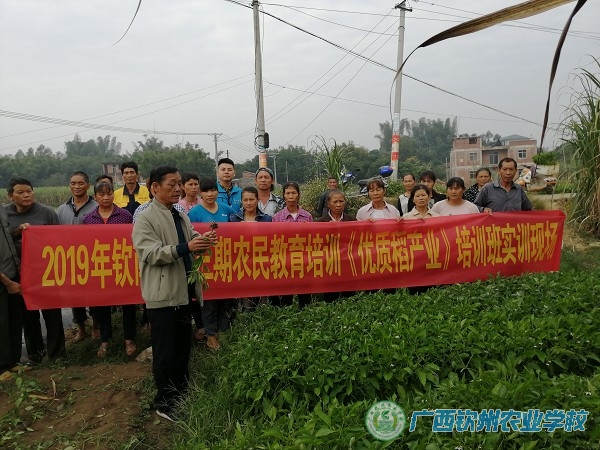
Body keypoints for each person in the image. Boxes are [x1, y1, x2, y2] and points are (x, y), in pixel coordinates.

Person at [132, 165, 216, 422]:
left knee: (182, 349)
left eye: (179, 183)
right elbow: (152, 253)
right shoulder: (145, 218)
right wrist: (186, 247)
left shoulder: (180, 215)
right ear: (155, 187)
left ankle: (182, 393)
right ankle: (166, 402)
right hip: (163, 296)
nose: (178, 188)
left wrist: (204, 241)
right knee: (166, 352)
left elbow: (192, 240)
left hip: (183, 293)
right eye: (172, 184)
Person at [4, 177, 65, 364]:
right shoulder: (4, 214)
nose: (26, 195)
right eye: (21, 192)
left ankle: (56, 355)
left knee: (52, 314)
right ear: (10, 196)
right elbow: (5, 241)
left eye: (29, 191)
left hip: (46, 272)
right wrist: (18, 232)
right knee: (28, 316)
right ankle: (35, 354)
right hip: (19, 273)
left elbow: (59, 240)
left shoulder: (47, 213)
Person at [83, 181, 136, 358]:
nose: (106, 197)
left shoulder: (125, 215)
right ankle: (105, 339)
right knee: (102, 304)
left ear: (114, 194)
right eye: (102, 194)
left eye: (109, 193)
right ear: (95, 196)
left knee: (128, 303)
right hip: (100, 267)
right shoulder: (88, 218)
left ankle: (129, 338)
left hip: (122, 264)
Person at [189, 178, 234, 350]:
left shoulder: (226, 209)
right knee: (208, 301)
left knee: (225, 300)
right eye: (206, 191)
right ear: (200, 193)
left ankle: (224, 332)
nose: (210, 194)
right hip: (205, 264)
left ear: (217, 191)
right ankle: (211, 336)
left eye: (213, 190)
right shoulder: (194, 213)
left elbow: (239, 228)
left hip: (225, 261)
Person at [57, 171, 98, 343]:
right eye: (73, 183)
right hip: (70, 260)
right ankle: (81, 329)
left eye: (80, 183)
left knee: (95, 294)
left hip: (93, 258)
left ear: (88, 186)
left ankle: (96, 326)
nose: (76, 186)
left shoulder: (96, 207)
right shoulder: (62, 209)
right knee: (75, 296)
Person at [229, 187, 271, 310]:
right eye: (245, 200)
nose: (248, 203)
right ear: (241, 201)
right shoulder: (234, 219)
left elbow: (271, 240)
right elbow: (230, 240)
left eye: (251, 199)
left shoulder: (266, 219)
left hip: (262, 261)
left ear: (257, 200)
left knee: (262, 297)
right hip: (242, 261)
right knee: (246, 297)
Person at [272, 182, 313, 309]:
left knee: (305, 294)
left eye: (293, 193)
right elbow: (274, 239)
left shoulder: (307, 216)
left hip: (303, 260)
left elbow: (312, 238)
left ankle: (306, 314)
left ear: (298, 195)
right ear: (283, 196)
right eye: (288, 193)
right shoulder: (277, 218)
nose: (291, 196)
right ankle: (286, 315)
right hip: (285, 260)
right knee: (286, 294)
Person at [316, 189, 356, 302]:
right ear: (328, 204)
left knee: (349, 297)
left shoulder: (352, 220)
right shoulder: (320, 222)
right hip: (329, 264)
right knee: (331, 297)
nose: (338, 205)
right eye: (335, 202)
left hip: (348, 263)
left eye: (341, 201)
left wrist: (368, 224)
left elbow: (360, 238)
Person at [0, 206, 24, 374]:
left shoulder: (1, 210)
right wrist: (7, 282)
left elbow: (6, 237)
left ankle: (14, 362)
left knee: (14, 320)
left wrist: (18, 232)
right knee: (2, 323)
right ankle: (3, 368)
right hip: (4, 279)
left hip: (12, 273)